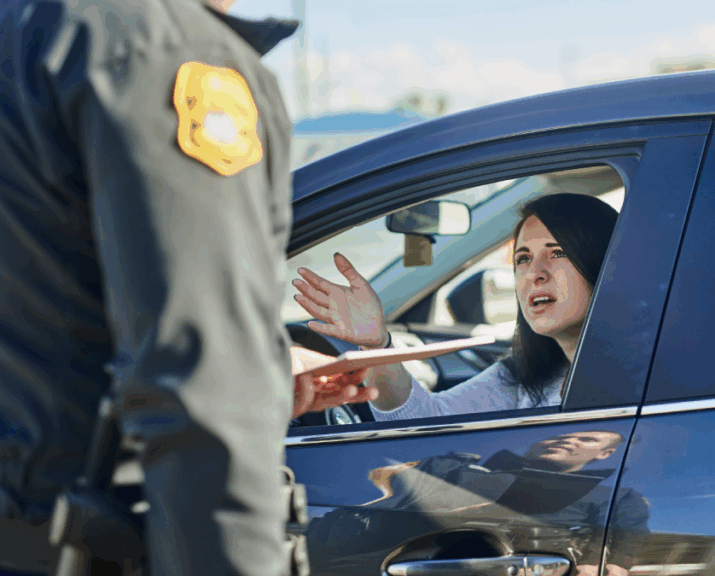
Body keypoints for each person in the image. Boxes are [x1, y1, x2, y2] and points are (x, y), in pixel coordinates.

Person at [0, 0, 372, 574]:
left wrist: (264, 374)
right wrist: (241, 377)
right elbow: (200, 385)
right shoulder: (165, 52)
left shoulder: (26, 30)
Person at [291, 193, 619, 420]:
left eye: (557, 253)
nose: (535, 274)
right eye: (523, 259)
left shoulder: (652, 377)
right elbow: (423, 424)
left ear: (601, 261)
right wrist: (377, 343)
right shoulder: (523, 375)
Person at [303, 430, 650, 576]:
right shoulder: (450, 465)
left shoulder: (617, 497)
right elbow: (357, 521)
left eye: (586, 439)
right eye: (562, 434)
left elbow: (617, 556)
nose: (569, 440)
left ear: (604, 454)